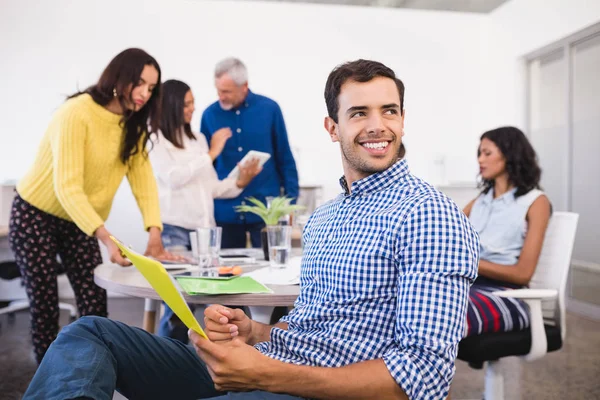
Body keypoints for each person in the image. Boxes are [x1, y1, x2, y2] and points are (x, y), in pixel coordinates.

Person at [23, 59, 479, 400]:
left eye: (390, 111)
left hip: (314, 389)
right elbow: (311, 328)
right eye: (359, 113)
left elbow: (425, 377)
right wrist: (252, 333)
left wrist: (265, 374)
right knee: (89, 332)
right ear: (332, 126)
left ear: (402, 119)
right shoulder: (324, 218)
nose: (377, 125)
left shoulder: (429, 215)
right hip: (277, 364)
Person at [8, 48, 181, 364]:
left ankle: (93, 371)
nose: (144, 93)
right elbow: (67, 187)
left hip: (80, 220)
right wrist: (107, 238)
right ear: (119, 77)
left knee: (94, 302)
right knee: (45, 304)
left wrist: (154, 234)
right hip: (36, 214)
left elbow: (143, 182)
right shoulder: (76, 113)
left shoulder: (133, 124)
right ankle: (50, 382)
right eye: (139, 83)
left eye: (151, 88)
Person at [149, 79, 262, 343]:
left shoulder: (197, 139)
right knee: (178, 305)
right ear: (172, 106)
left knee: (222, 294)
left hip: (204, 232)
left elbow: (211, 187)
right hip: (174, 231)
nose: (192, 109)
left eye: (192, 103)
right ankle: (167, 356)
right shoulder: (155, 141)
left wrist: (240, 180)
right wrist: (212, 153)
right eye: (187, 104)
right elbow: (174, 177)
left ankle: (231, 356)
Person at [200, 57, 299, 249]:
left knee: (270, 268)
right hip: (224, 212)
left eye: (226, 91)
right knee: (226, 272)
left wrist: (289, 202)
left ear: (244, 86)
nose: (221, 96)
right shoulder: (209, 115)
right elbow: (206, 166)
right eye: (218, 90)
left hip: (264, 212)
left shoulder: (270, 109)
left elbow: (284, 158)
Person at [463, 126, 552, 336]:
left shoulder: (536, 202)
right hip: (469, 286)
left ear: (510, 155)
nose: (480, 160)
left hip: (508, 295)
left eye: (487, 153)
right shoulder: (479, 202)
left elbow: (522, 274)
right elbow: (445, 236)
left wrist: (468, 262)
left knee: (442, 311)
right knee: (404, 302)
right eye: (479, 154)